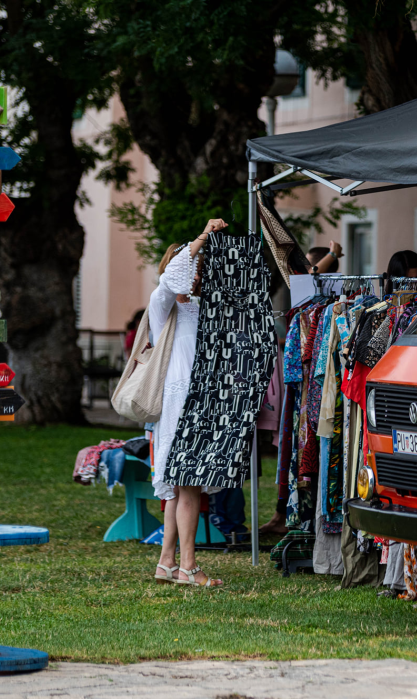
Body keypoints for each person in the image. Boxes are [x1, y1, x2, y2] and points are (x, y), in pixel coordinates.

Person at [151, 218, 228, 588]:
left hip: (197, 397)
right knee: (188, 484)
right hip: (181, 399)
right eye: (193, 268)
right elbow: (174, 276)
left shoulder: (200, 307)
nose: (196, 276)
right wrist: (202, 238)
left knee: (181, 486)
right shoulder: (162, 300)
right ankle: (189, 567)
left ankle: (167, 562)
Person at [258, 239, 344, 536]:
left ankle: (294, 515)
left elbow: (309, 274)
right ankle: (286, 513)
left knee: (299, 450)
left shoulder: (321, 306)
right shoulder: (308, 309)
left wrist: (332, 254)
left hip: (312, 393)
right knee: (292, 450)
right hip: (304, 392)